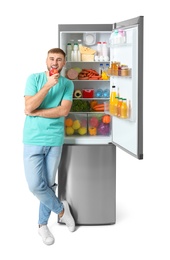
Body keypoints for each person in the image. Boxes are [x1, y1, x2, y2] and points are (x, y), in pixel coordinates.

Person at [23, 48, 75, 246]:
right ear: (46, 60)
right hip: (33, 138)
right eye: (52, 58)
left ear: (64, 63)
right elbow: (28, 107)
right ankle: (61, 210)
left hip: (54, 140)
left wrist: (37, 112)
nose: (55, 62)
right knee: (36, 185)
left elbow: (64, 110)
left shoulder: (68, 84)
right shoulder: (34, 79)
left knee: (49, 184)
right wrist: (46, 86)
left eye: (59, 60)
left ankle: (42, 225)